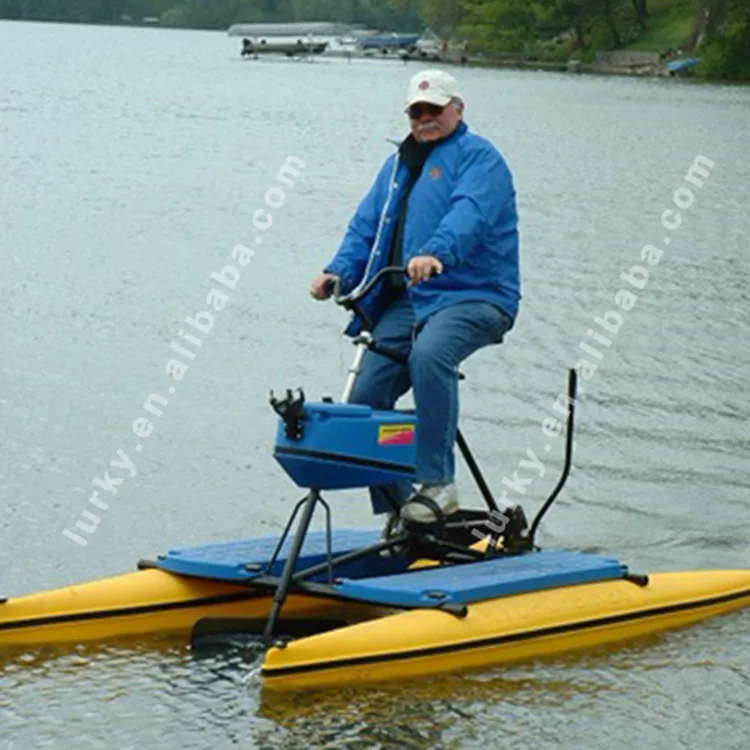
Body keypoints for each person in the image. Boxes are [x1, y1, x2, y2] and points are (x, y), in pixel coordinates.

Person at [309, 69, 520, 529]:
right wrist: (336, 272)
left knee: (429, 355)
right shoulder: (397, 165)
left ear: (457, 109)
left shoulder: (481, 159)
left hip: (476, 295)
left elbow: (471, 216)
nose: (426, 118)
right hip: (411, 300)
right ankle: (404, 514)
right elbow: (365, 226)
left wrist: (434, 254)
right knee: (365, 396)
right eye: (417, 111)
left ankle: (437, 486)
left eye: (435, 109)